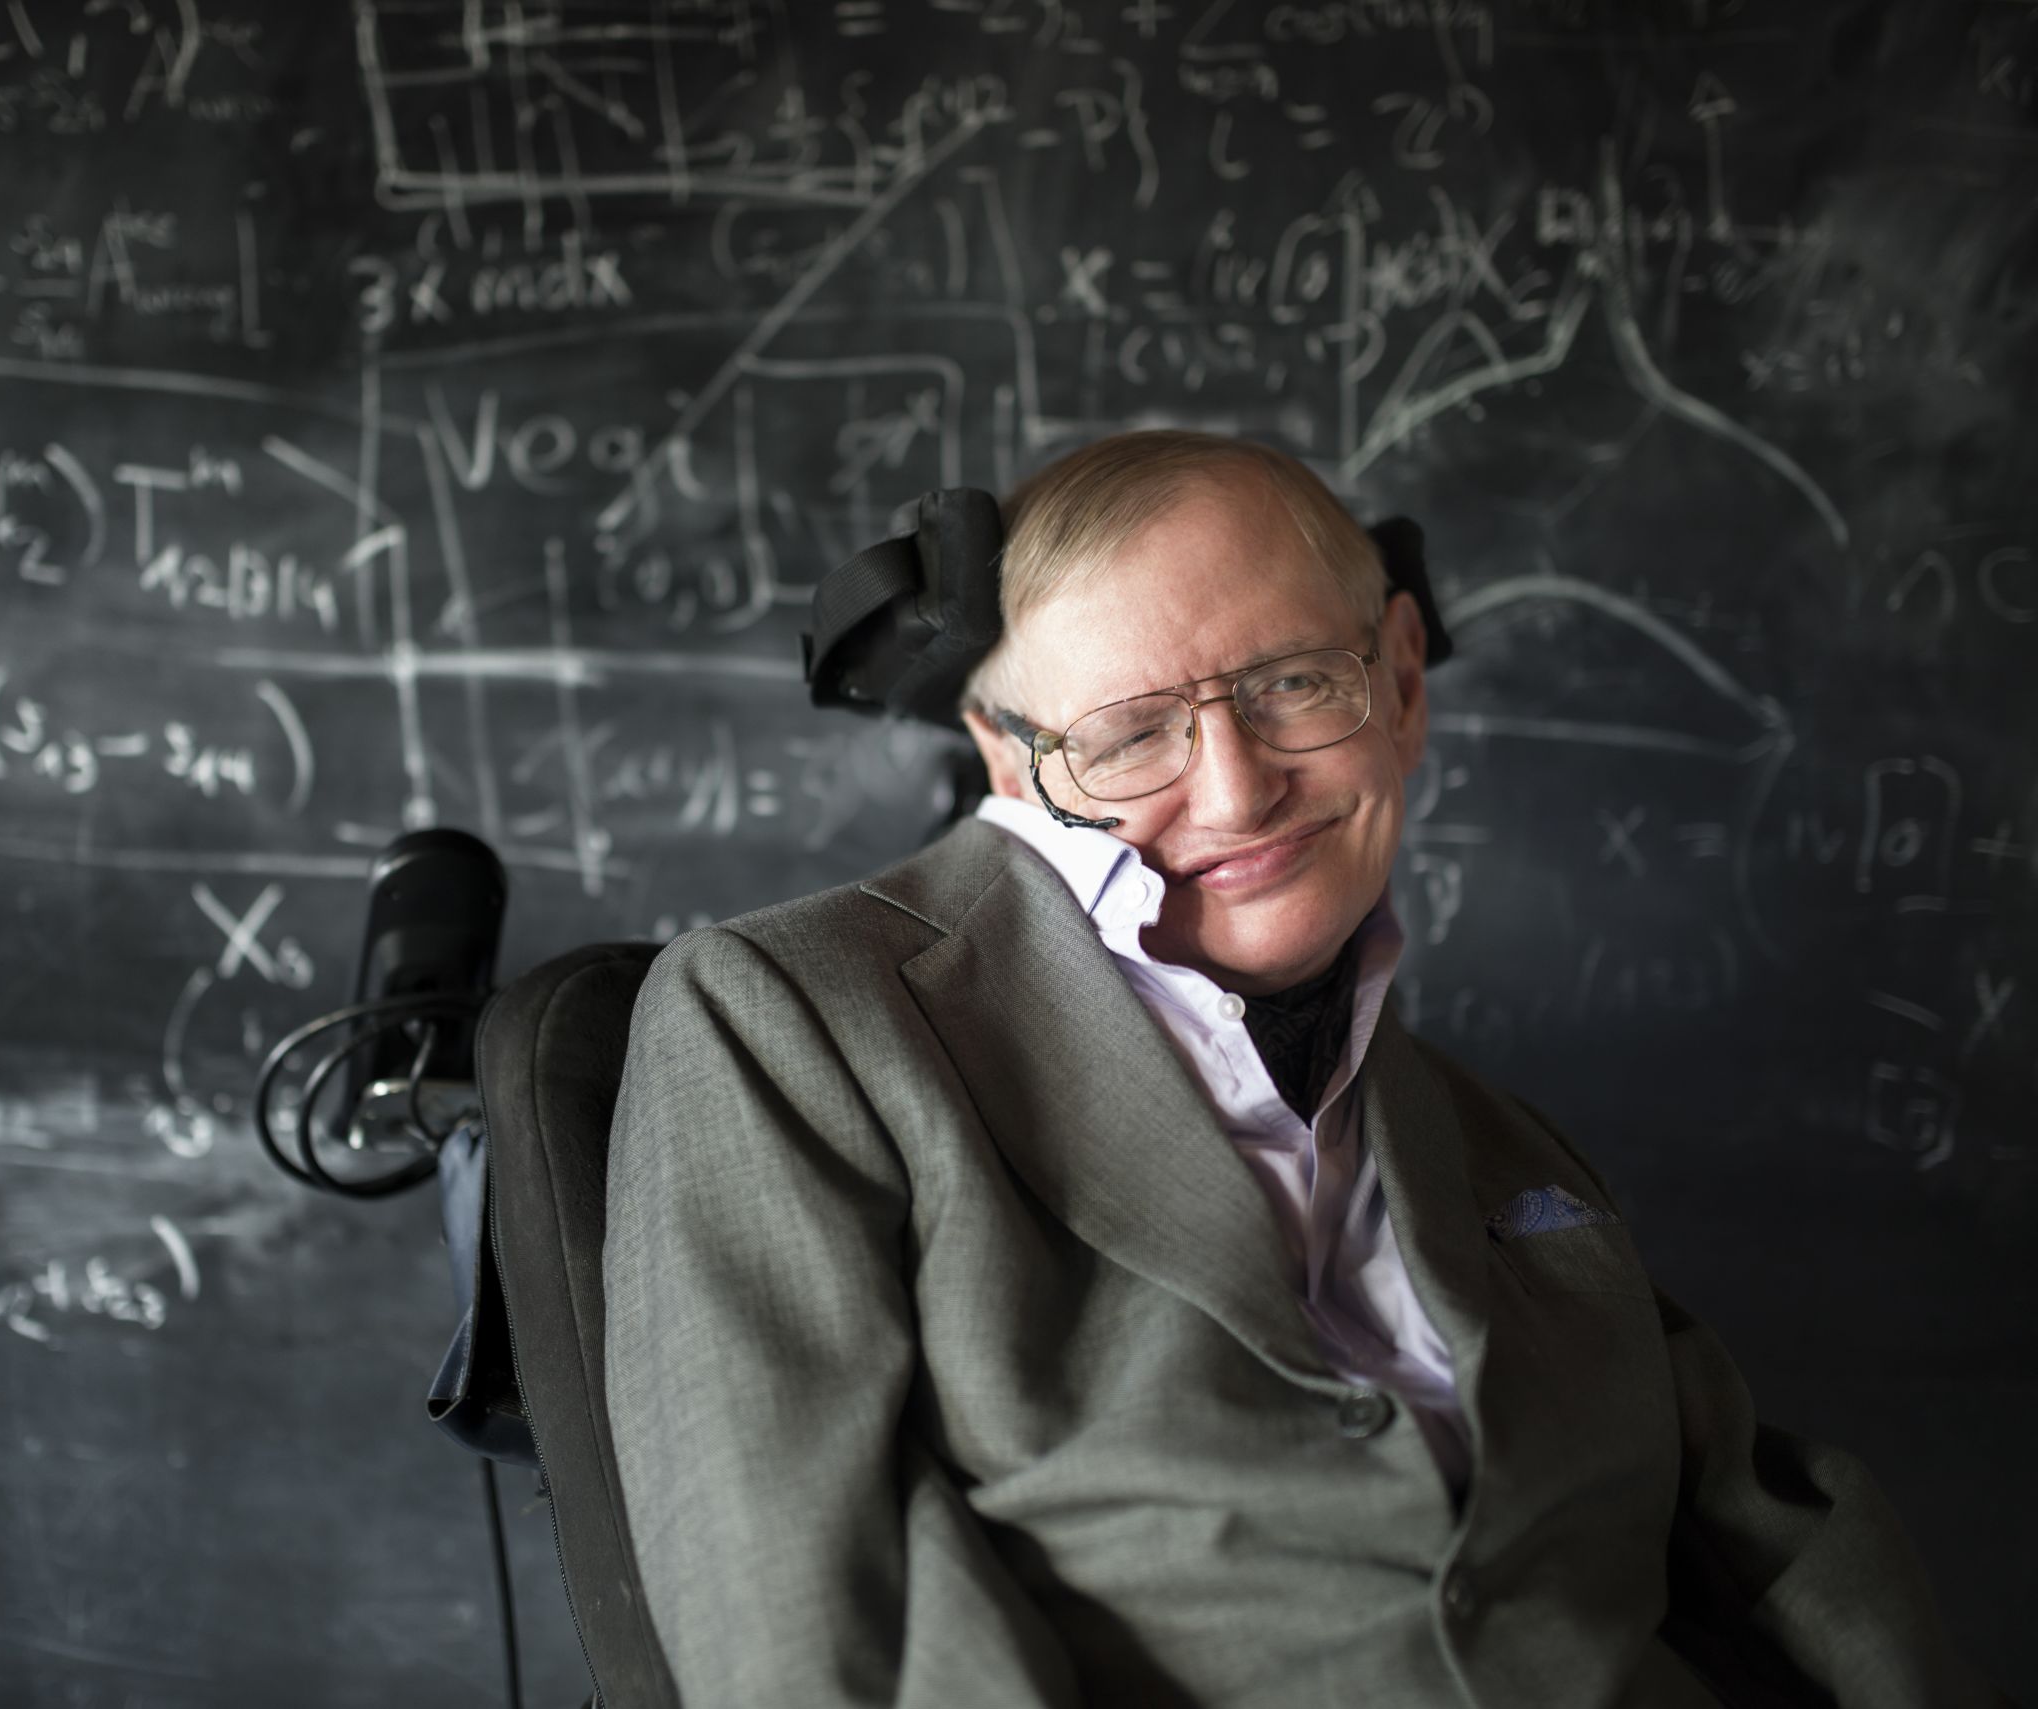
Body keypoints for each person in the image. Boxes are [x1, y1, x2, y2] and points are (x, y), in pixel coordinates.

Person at [598, 431, 1994, 1708]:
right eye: (1133, 732)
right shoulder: (793, 1020)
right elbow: (814, 1648)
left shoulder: (1507, 1146)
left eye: (1290, 685)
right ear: (1007, 761)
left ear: (1396, 681)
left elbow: (1770, 1537)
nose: (1236, 787)